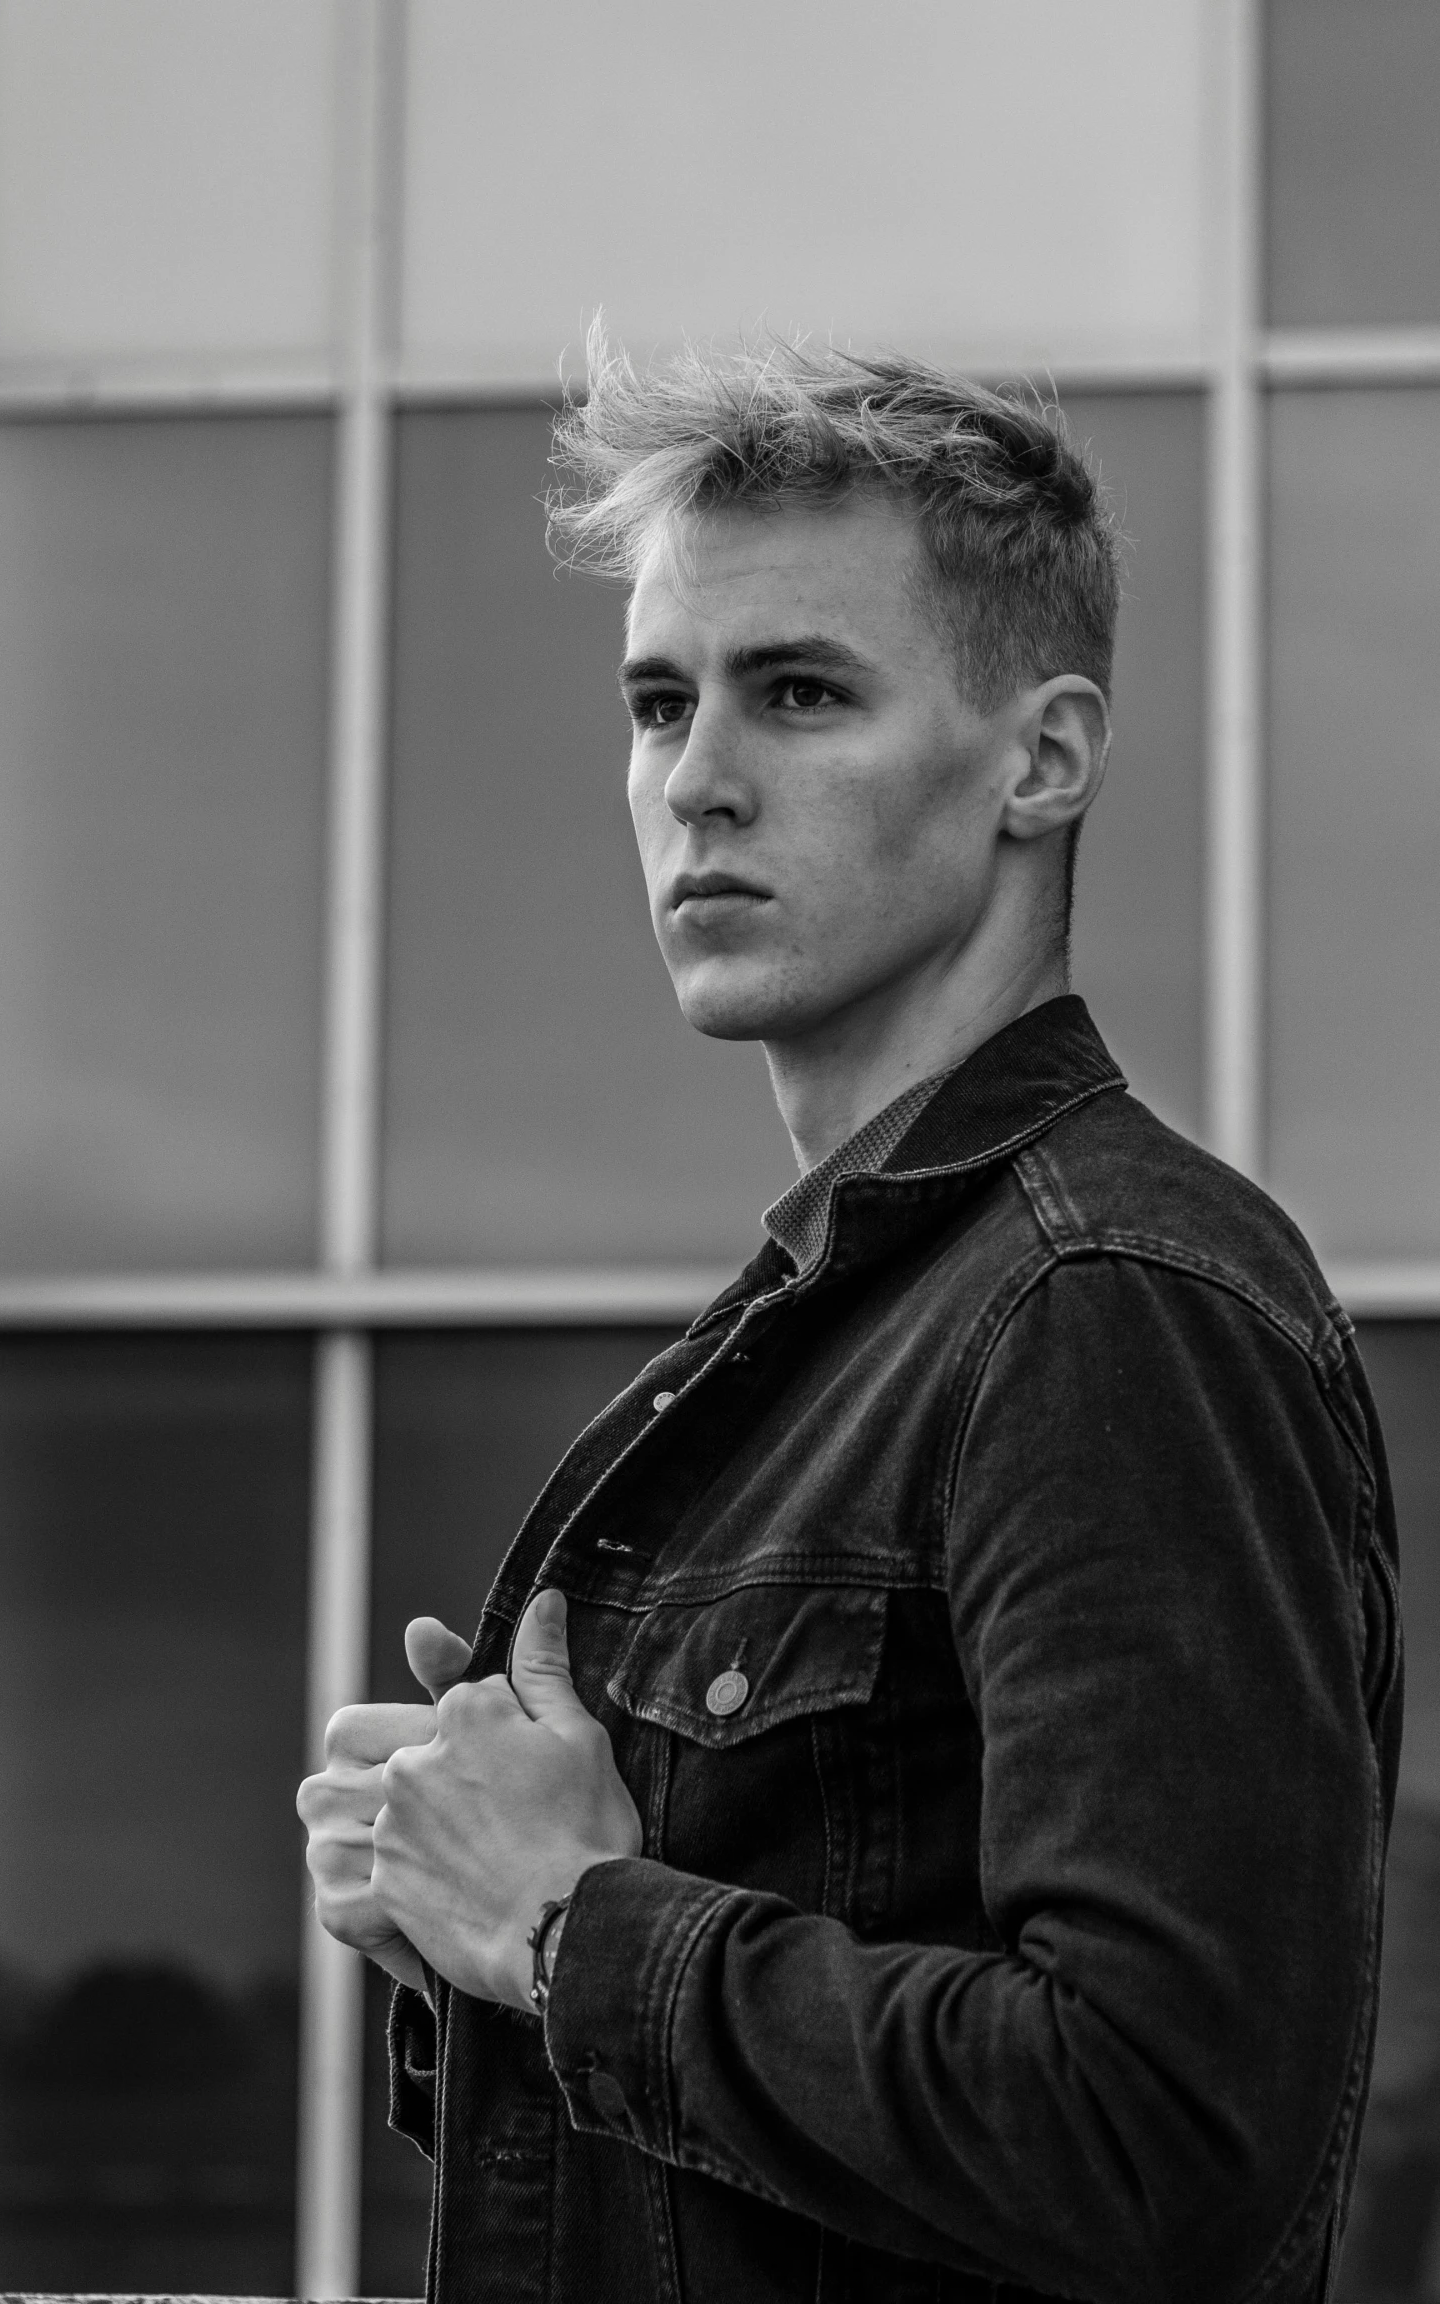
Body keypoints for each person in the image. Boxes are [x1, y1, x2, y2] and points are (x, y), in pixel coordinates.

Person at [297, 334, 1402, 2304]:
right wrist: (462, 1929)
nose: (698, 779)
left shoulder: (1102, 1304)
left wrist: (568, 1926)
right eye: (658, 700)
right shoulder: (834, 1326)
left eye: (798, 693)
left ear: (1041, 759)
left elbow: (1159, 2149)